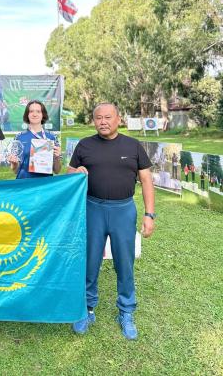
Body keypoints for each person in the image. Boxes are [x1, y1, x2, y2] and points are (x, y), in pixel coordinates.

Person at [68, 102, 155, 340]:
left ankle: (126, 311)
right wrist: (76, 172)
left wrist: (149, 214)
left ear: (119, 119)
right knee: (89, 261)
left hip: (123, 211)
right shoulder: (84, 145)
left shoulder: (133, 145)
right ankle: (86, 308)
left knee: (124, 263)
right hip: (92, 209)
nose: (103, 122)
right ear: (94, 121)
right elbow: (69, 173)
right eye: (98, 118)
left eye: (108, 117)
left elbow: (146, 180)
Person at [8, 100, 62, 178]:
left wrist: (57, 158)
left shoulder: (52, 137)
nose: (34, 114)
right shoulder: (19, 137)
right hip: (24, 182)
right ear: (27, 115)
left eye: (38, 111)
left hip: (45, 183)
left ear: (43, 115)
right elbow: (15, 171)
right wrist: (14, 163)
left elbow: (57, 171)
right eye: (31, 111)